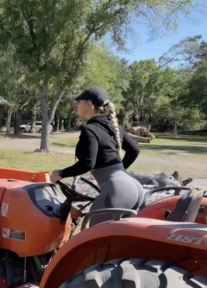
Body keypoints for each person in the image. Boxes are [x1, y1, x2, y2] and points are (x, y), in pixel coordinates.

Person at [50, 87, 144, 227]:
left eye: (79, 102)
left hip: (118, 190)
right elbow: (134, 151)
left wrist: (61, 174)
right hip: (134, 188)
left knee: (91, 238)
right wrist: (119, 173)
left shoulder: (90, 129)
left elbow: (88, 163)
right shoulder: (114, 126)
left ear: (88, 105)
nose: (77, 105)